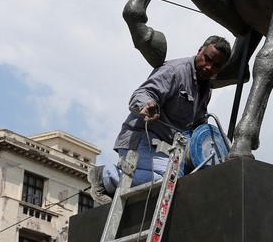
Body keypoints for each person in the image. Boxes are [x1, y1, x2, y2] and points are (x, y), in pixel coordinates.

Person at [87, 35, 231, 204]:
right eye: (207, 59)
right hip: (142, 139)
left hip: (169, 150)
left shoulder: (206, 88)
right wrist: (147, 105)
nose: (209, 67)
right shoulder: (174, 71)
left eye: (216, 65)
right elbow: (142, 94)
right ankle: (106, 176)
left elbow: (199, 126)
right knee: (170, 181)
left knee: (190, 180)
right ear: (199, 51)